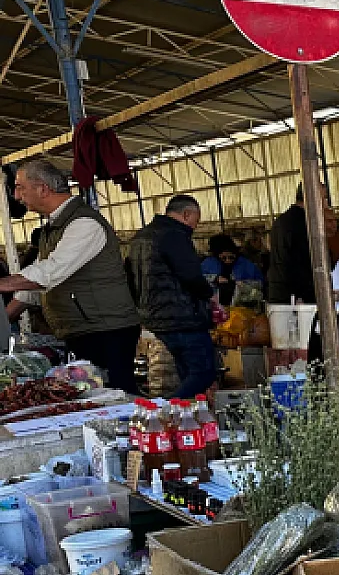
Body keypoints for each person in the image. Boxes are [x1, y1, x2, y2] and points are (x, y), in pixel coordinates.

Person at [0, 158, 142, 391]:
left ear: (43, 189)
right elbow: (33, 289)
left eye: (20, 187)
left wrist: (3, 284)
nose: (16, 196)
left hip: (106, 329)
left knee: (113, 394)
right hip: (82, 328)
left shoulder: (84, 223)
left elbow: (50, 271)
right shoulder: (53, 228)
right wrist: (5, 318)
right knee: (86, 393)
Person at [129, 194, 220, 398]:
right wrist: (209, 295)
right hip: (181, 317)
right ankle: (168, 410)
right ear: (186, 214)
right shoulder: (173, 235)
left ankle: (186, 419)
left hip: (154, 317)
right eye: (195, 222)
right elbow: (190, 275)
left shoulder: (141, 237)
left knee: (186, 371)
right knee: (203, 372)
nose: (194, 227)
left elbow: (130, 278)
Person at [267, 185, 312, 304]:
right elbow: (300, 261)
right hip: (295, 295)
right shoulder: (301, 223)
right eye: (323, 199)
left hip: (280, 290)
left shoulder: (281, 220)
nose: (325, 204)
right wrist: (303, 294)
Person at [201, 233, 264, 304]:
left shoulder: (246, 264)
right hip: (214, 306)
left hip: (241, 305)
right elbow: (197, 279)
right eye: (224, 258)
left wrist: (243, 284)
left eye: (231, 257)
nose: (228, 261)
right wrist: (215, 278)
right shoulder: (208, 263)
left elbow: (260, 284)